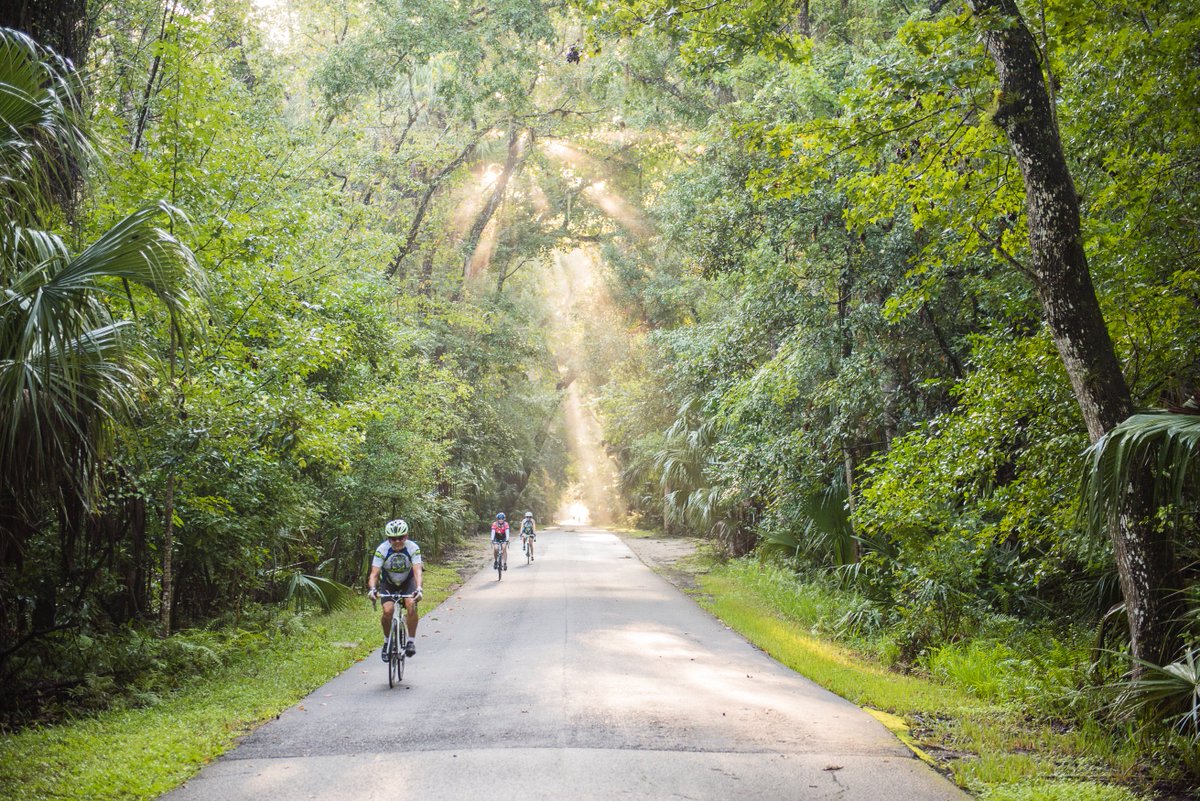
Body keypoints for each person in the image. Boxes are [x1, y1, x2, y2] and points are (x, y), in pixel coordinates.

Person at [367, 519, 423, 660]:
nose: (397, 541)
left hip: (407, 581)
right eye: (393, 539)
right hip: (388, 583)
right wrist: (372, 589)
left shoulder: (412, 548)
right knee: (387, 611)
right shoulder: (382, 550)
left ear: (407, 536)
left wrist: (419, 588)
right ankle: (387, 643)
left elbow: (417, 571)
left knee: (411, 605)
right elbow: (374, 574)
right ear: (388, 538)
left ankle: (410, 642)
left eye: (401, 538)